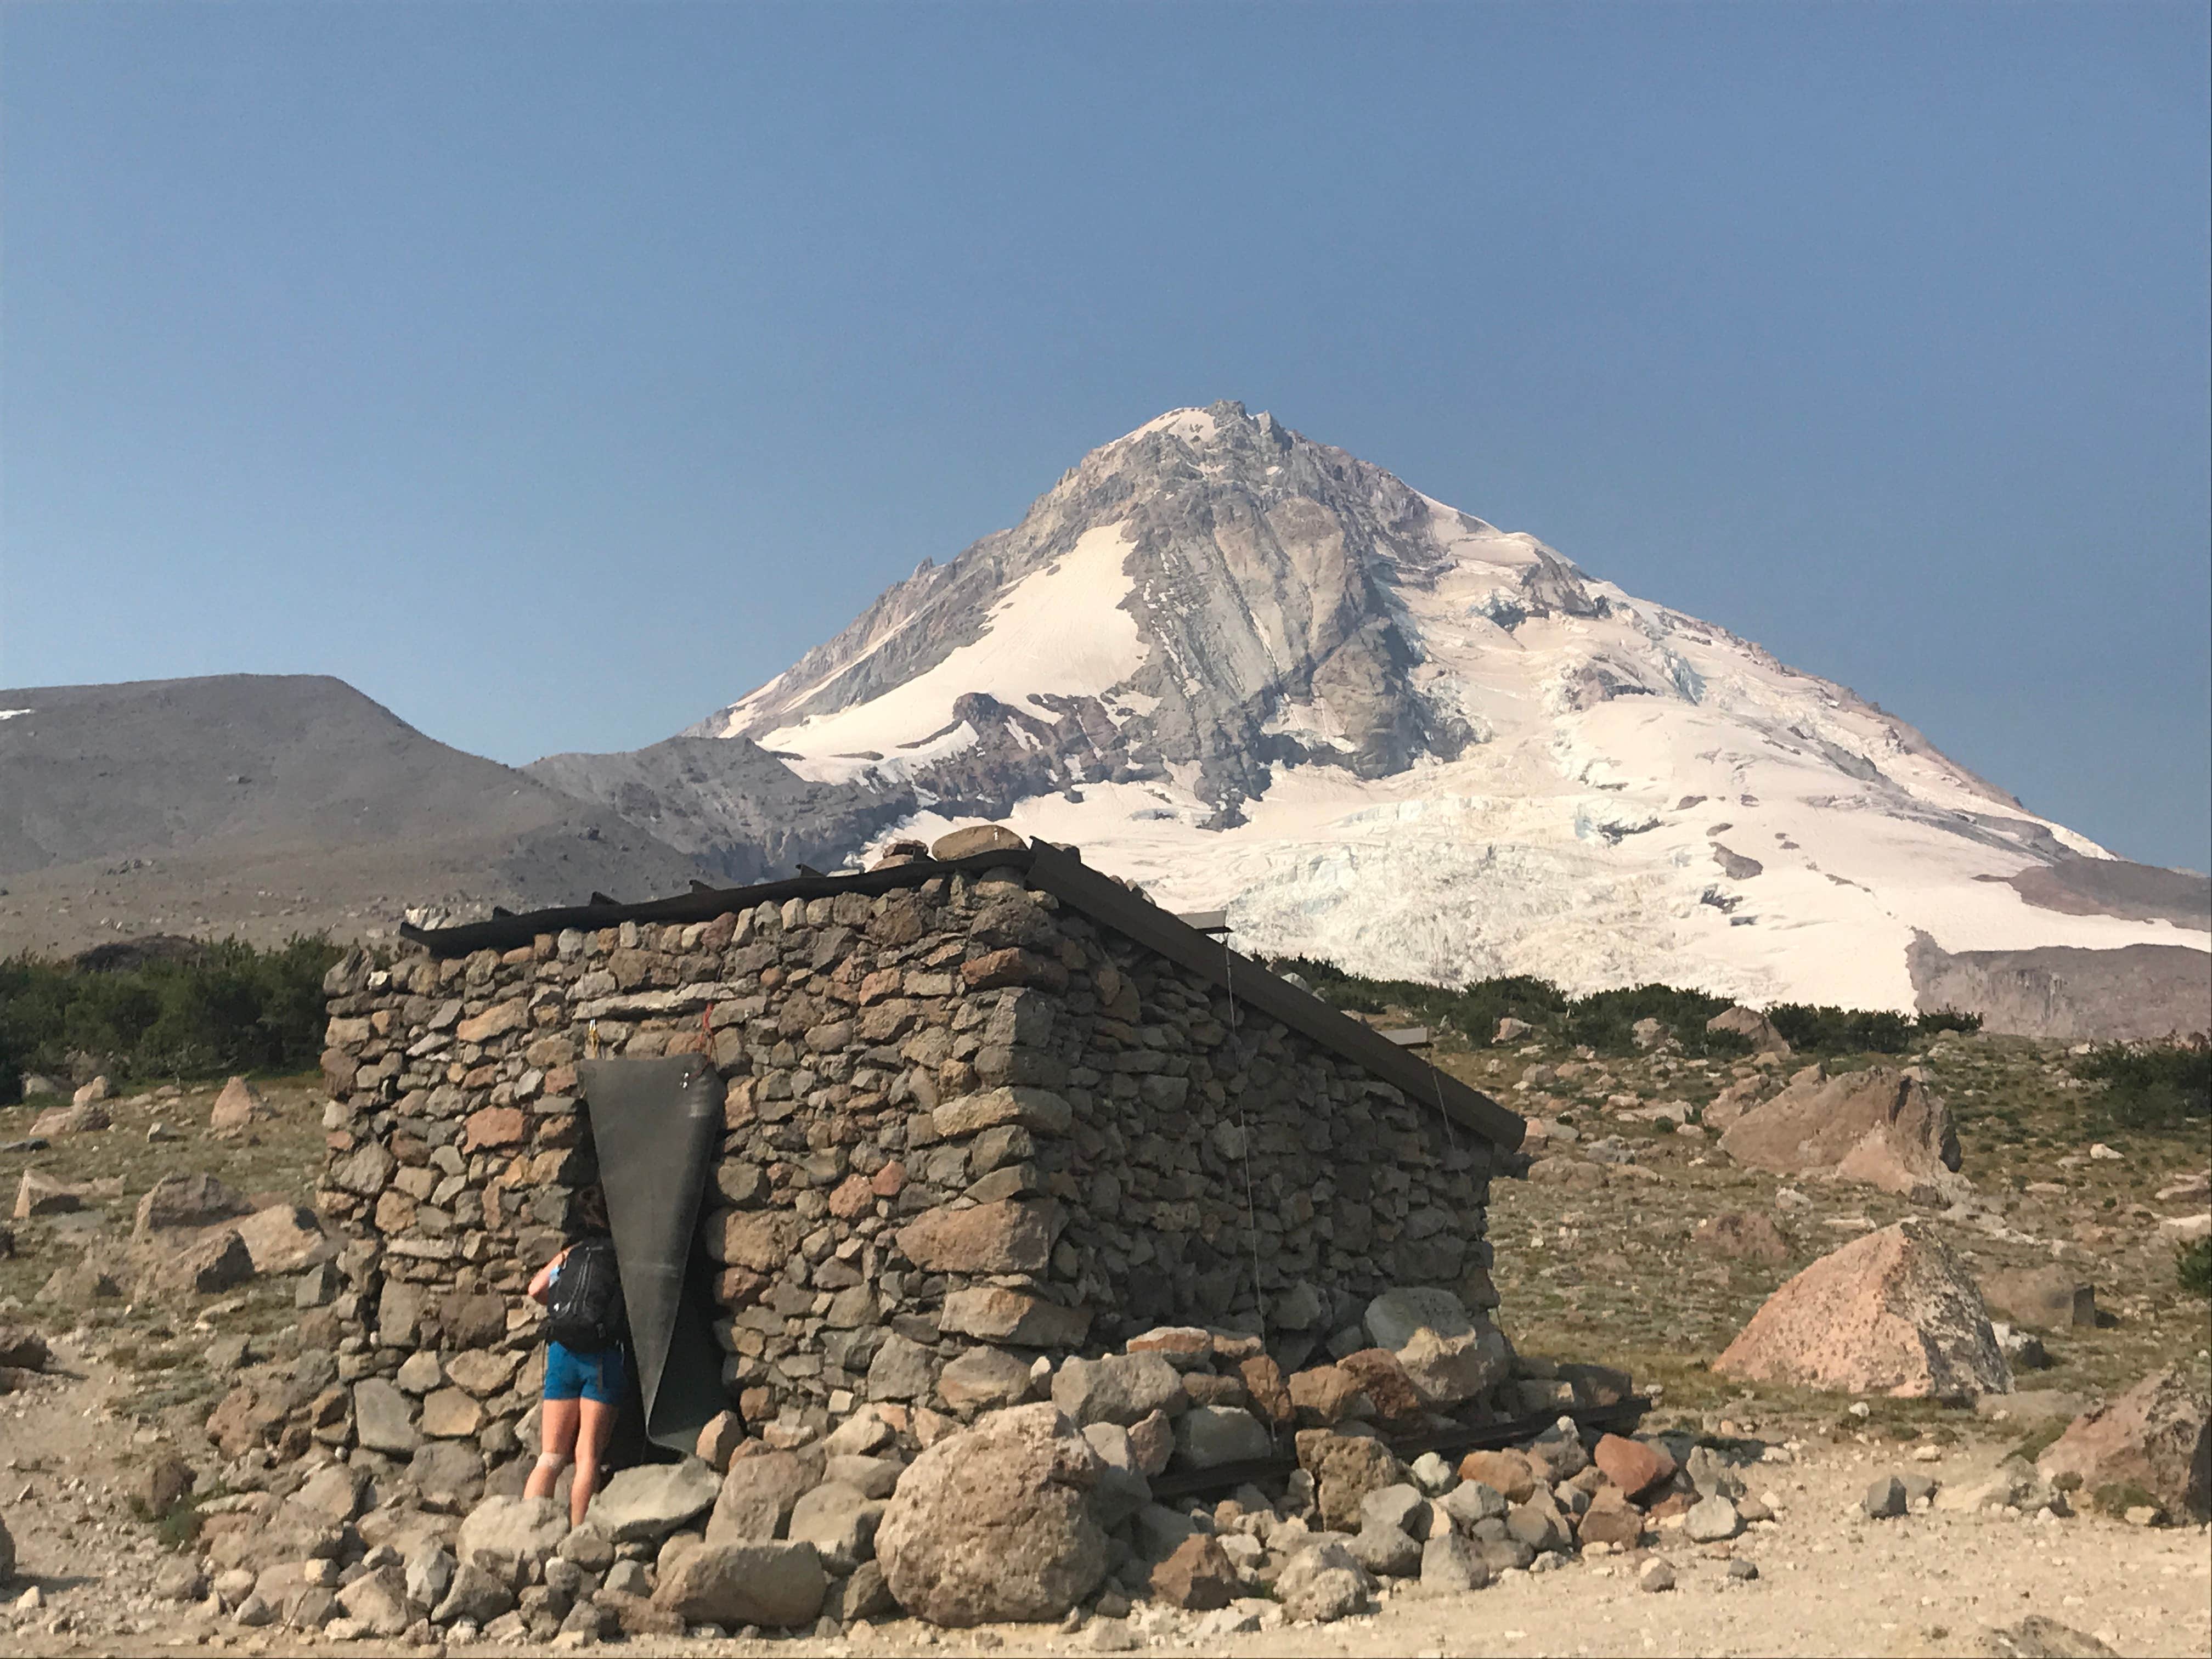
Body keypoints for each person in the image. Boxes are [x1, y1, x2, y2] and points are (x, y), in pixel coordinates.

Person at [524, 1233, 625, 1527]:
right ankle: (577, 1535)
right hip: (601, 1359)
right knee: (588, 1455)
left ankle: (527, 1532)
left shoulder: (570, 1255)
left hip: (562, 1351)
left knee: (551, 1457)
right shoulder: (621, 1256)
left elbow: (535, 1289)